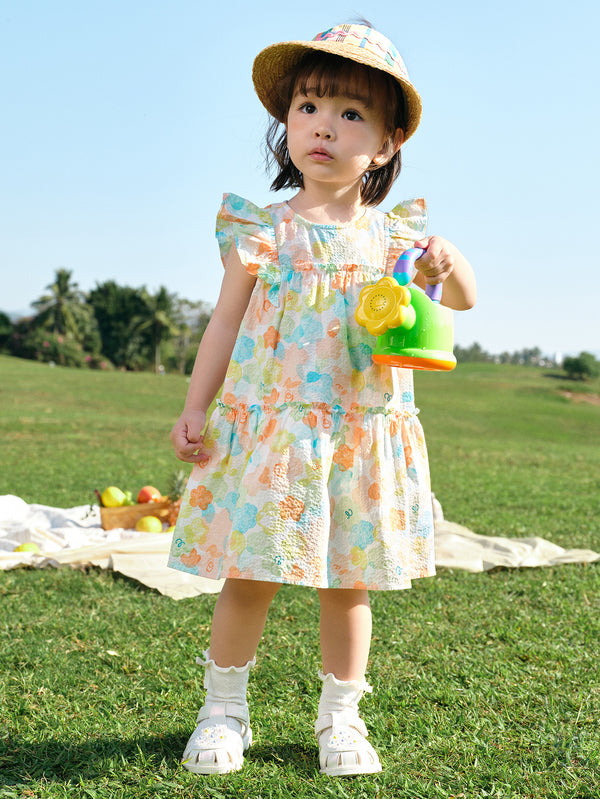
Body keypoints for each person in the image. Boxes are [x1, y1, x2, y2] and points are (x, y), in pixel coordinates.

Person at [168, 21, 476, 777]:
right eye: (309, 106)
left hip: (359, 435)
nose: (324, 128)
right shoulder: (264, 230)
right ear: (285, 121)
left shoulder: (394, 239)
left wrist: (447, 260)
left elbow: (462, 299)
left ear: (389, 141)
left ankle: (342, 716)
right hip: (273, 430)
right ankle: (222, 709)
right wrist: (195, 404)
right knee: (252, 575)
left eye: (350, 115)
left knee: (349, 584)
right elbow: (224, 323)